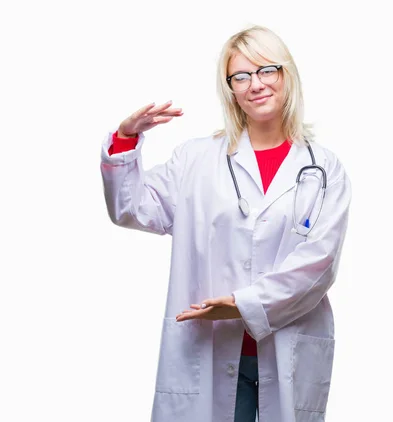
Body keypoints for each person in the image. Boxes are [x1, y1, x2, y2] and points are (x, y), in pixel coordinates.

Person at [100, 25, 351, 422]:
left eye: (267, 70)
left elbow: (319, 263)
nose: (256, 84)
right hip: (208, 350)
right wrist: (126, 140)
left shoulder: (323, 168)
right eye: (241, 76)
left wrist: (241, 306)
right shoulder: (196, 160)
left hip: (286, 349)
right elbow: (133, 210)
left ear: (287, 75)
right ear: (230, 88)